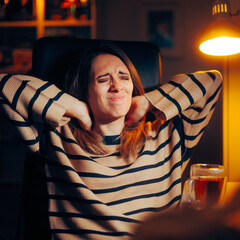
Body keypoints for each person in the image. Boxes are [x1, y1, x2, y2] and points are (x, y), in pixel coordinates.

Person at [0, 43, 223, 240]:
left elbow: (213, 80)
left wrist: (148, 102)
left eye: (124, 77)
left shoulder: (167, 134)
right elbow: (4, 86)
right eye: (103, 79)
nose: (117, 86)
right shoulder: (56, 138)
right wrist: (74, 108)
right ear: (84, 92)